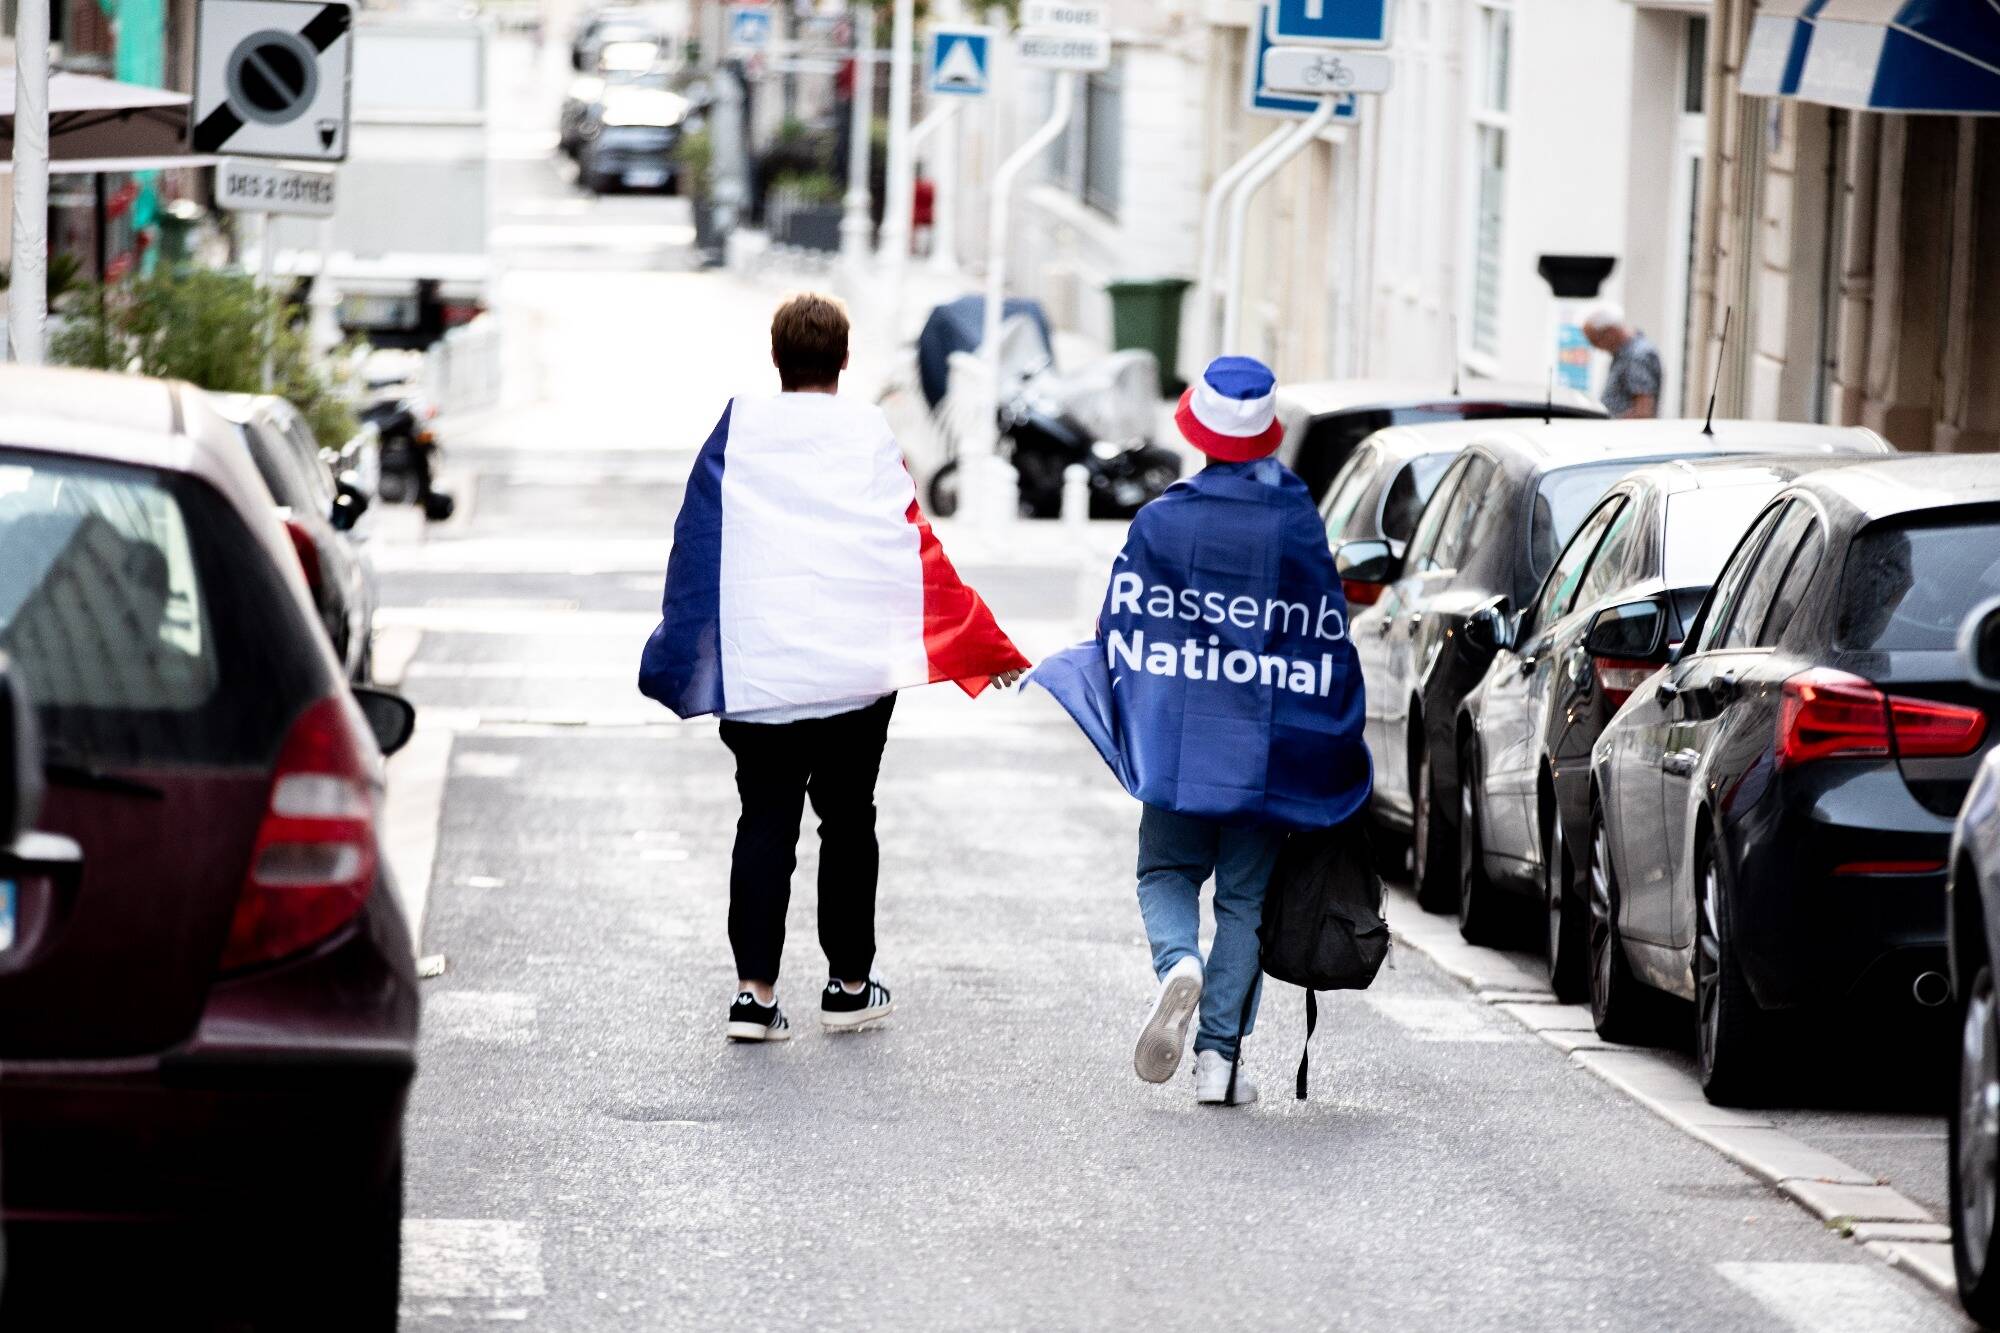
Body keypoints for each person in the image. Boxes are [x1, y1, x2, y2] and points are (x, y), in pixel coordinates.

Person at [638, 292, 1029, 1043]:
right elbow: (908, 548)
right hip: (853, 673)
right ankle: (850, 986)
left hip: (760, 673)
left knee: (765, 823)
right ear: (845, 360)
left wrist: (686, 649)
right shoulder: (868, 433)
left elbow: (699, 542)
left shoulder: (738, 430)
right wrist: (982, 639)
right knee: (849, 821)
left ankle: (754, 996)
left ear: (777, 358)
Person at [1031, 356, 1372, 1107]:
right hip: (1263, 755)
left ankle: (1176, 962)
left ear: (1198, 428)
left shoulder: (1162, 520)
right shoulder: (1296, 523)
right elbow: (1324, 634)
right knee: (1244, 903)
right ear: (1267, 437)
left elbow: (1126, 624)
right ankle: (1220, 1059)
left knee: (1164, 873)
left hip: (1183, 747)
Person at [1582, 306, 1663, 419]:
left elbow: (1643, 412)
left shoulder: (1637, 356)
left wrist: (1610, 425)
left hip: (1626, 434)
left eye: (1596, 341)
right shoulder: (1623, 355)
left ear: (1610, 332)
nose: (1598, 348)